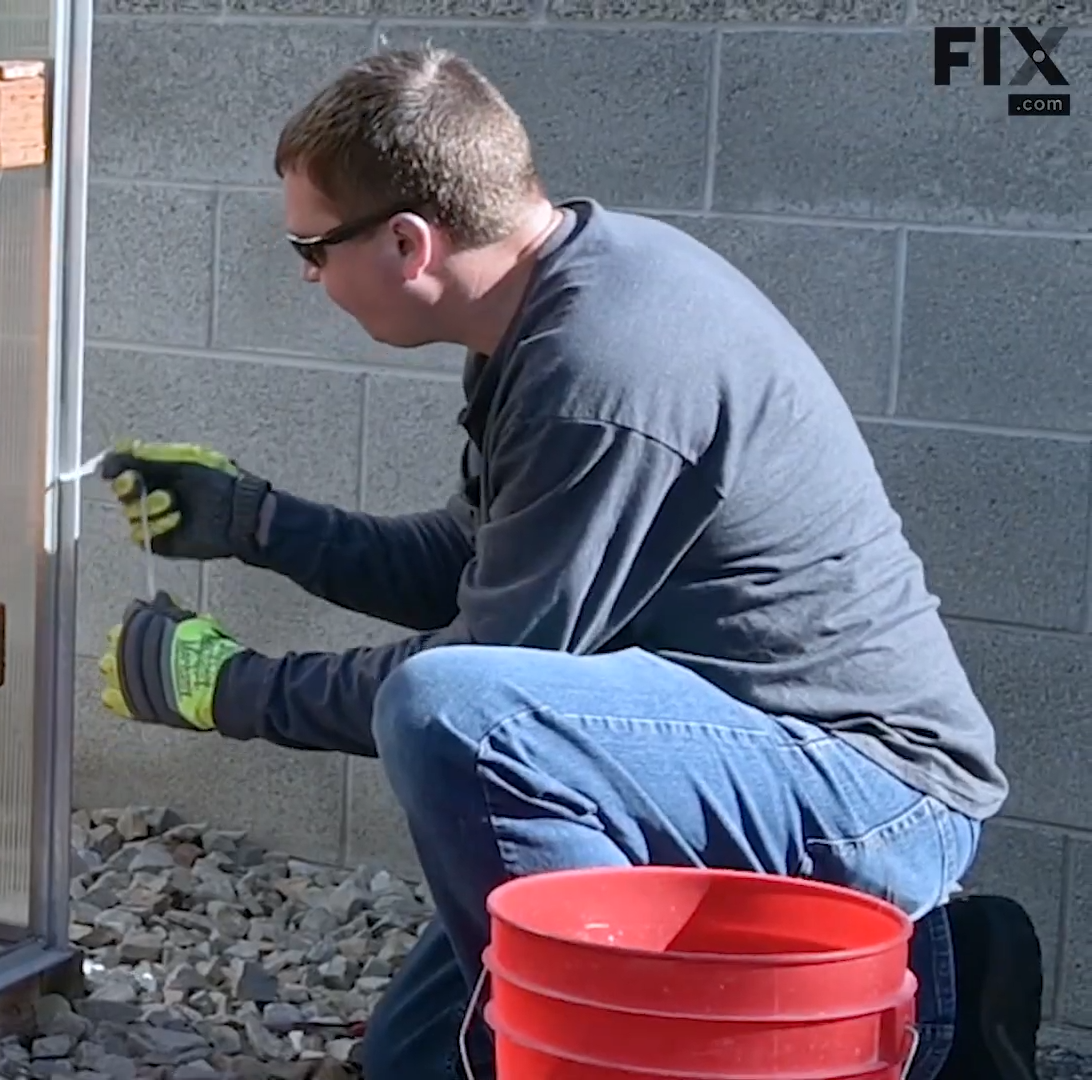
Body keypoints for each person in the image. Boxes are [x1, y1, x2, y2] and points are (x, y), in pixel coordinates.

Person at [93, 46, 1043, 1080]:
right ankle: (936, 1013)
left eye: (312, 249)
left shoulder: (602, 367)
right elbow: (465, 566)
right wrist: (258, 523)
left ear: (409, 243)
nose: (308, 276)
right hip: (709, 753)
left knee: (452, 714)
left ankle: (899, 1014)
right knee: (420, 1061)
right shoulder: (551, 309)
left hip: (867, 788)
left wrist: (233, 690)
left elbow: (481, 677)